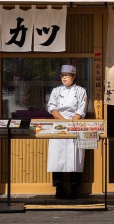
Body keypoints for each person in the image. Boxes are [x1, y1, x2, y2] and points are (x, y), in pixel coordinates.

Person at [47, 64, 88, 199]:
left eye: (67, 76)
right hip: (59, 124)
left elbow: (81, 110)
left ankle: (75, 187)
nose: (64, 78)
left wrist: (71, 124)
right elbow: (52, 107)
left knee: (75, 157)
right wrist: (63, 123)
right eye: (62, 76)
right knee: (56, 156)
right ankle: (59, 187)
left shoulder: (81, 91)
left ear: (74, 76)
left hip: (75, 124)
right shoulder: (56, 91)